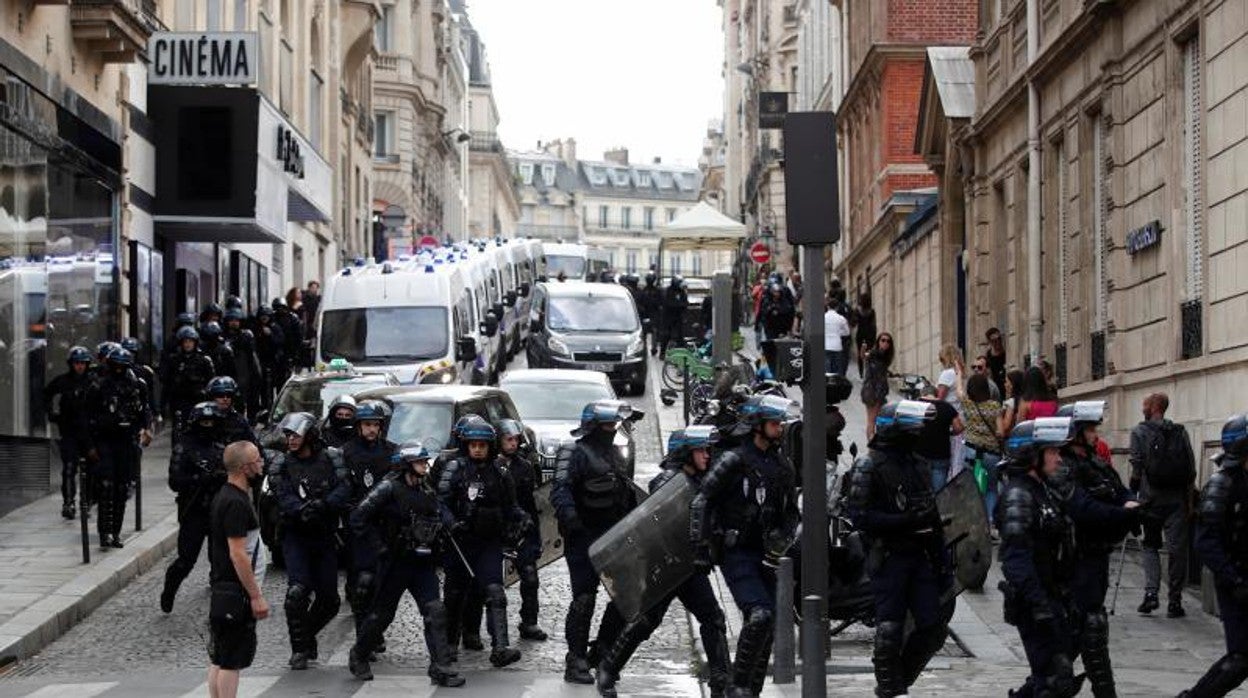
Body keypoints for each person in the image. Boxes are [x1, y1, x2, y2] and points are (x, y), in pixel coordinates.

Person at [596, 426, 731, 698]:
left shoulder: (702, 482)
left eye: (707, 450)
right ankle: (607, 669)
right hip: (667, 566)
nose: (707, 455)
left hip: (690, 567)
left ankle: (720, 683)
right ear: (685, 453)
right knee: (647, 621)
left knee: (712, 618)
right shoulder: (668, 481)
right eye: (700, 450)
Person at [689, 395, 799, 698]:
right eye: (774, 422)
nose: (779, 428)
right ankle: (735, 687)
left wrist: (785, 536)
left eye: (780, 423)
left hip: (766, 554)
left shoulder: (781, 464)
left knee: (771, 622)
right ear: (757, 424)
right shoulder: (733, 460)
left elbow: (791, 511)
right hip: (736, 551)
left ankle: (751, 690)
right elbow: (703, 501)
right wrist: (700, 547)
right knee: (759, 615)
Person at [847, 400, 951, 698]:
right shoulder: (869, 466)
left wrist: (942, 562)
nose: (917, 434)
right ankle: (891, 689)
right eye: (911, 429)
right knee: (890, 629)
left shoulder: (918, 465)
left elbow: (931, 517)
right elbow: (861, 518)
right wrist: (905, 521)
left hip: (919, 557)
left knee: (933, 628)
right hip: (889, 557)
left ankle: (896, 684)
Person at [347, 443, 466, 687]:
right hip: (395, 562)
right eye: (420, 461)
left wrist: (450, 524)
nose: (425, 465)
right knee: (382, 615)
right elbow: (358, 517)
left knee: (435, 611)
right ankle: (359, 655)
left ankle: (441, 667)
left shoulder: (426, 489)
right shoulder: (387, 488)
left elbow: (439, 511)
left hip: (422, 562)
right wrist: (378, 546)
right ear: (406, 465)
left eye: (425, 461)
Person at [1053, 400, 1140, 698]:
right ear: (1074, 432)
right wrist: (1122, 513)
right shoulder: (1061, 466)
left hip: (1097, 554)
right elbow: (1081, 507)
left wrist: (1133, 505)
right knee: (1085, 628)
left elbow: (1118, 489)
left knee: (1090, 629)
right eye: (1088, 428)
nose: (1094, 434)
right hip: (1075, 558)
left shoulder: (1094, 460)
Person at [551, 400, 643, 684]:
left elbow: (624, 489)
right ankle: (575, 658)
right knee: (584, 598)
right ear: (592, 426)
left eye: (614, 424)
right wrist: (572, 521)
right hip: (583, 537)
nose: (612, 429)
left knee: (625, 595)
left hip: (612, 535)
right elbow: (560, 489)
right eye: (607, 424)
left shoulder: (614, 452)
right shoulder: (574, 451)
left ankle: (602, 649)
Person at [996, 418, 1081, 698]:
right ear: (1032, 455)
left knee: (1049, 677)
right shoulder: (1019, 494)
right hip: (1034, 600)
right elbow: (1016, 558)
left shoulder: (1042, 489)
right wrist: (1038, 603)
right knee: (1054, 680)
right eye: (1052, 452)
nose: (1058, 458)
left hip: (1051, 594)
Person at [437, 418, 526, 668]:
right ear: (466, 445)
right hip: (460, 542)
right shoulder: (454, 469)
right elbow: (440, 502)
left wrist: (522, 519)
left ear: (490, 446)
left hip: (489, 542)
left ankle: (500, 648)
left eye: (482, 445)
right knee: (454, 596)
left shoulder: (500, 472)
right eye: (473, 445)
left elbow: (512, 506)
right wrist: (451, 522)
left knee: (495, 592)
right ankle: (449, 645)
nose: (477, 449)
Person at [269, 412, 351, 670]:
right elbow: (280, 493)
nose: (291, 440)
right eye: (288, 435)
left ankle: (307, 636)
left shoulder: (331, 458)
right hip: (296, 535)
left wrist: (324, 505)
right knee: (297, 593)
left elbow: (345, 486)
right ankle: (300, 649)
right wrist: (301, 509)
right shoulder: (282, 464)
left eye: (296, 435)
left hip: (324, 534)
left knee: (329, 600)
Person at [1179, 414, 1248, 697]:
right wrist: (1233, 579)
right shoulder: (1223, 483)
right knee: (1240, 658)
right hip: (1237, 581)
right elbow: (1205, 541)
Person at [206, 441, 268, 698]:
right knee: (231, 661)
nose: (262, 463)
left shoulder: (227, 495)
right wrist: (255, 595)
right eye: (258, 460)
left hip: (225, 589)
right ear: (245, 468)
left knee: (220, 658)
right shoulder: (235, 503)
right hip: (236, 592)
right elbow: (238, 554)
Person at [1129, 393, 1196, 618]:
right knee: (1177, 550)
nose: (1142, 408)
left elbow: (1136, 466)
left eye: (1145, 404)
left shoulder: (1139, 432)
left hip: (1150, 499)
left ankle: (1151, 594)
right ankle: (1175, 600)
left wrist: (1132, 495)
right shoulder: (1180, 431)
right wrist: (1189, 503)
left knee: (1150, 545)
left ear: (1154, 407)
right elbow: (1191, 470)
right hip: (1177, 500)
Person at [162, 402, 228, 613]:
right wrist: (199, 478)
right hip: (194, 510)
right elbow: (175, 481)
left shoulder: (221, 448)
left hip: (218, 510)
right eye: (204, 422)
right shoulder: (184, 447)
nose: (208, 426)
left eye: (212, 422)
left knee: (221, 559)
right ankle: (169, 589)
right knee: (186, 560)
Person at [342, 402, 398, 646]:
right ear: (359, 426)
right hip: (359, 526)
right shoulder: (346, 452)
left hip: (386, 525)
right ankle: (363, 634)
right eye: (367, 424)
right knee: (362, 582)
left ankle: (375, 630)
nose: (371, 429)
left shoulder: (391, 451)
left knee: (382, 581)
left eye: (375, 425)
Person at [86, 347, 152, 549]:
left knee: (122, 489)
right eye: (115, 365)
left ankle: (115, 532)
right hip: (105, 440)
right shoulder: (99, 385)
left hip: (127, 440)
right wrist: (89, 445)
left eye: (122, 366)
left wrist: (147, 429)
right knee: (106, 487)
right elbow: (86, 417)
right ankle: (104, 532)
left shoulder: (136, 385)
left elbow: (144, 409)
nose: (118, 370)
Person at [497, 419, 547, 641]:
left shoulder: (524, 467)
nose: (513, 444)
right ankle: (468, 628)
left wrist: (534, 537)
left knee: (530, 577)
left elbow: (531, 504)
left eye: (515, 439)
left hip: (520, 529)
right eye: (508, 439)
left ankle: (529, 621)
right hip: (494, 530)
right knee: (485, 585)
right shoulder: (489, 466)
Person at [45, 346, 95, 519]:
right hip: (69, 431)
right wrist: (52, 414)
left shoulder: (92, 382)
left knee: (89, 469)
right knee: (69, 468)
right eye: (76, 363)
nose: (79, 366)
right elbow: (47, 394)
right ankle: (68, 502)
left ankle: (86, 502)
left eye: (82, 363)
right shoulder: (63, 381)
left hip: (88, 433)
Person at [961, 374, 1005, 523]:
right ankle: (990, 521)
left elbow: (959, 390)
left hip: (971, 451)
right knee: (991, 488)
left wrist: (959, 373)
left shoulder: (967, 404)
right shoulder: (994, 406)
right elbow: (1001, 432)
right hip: (991, 453)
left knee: (971, 488)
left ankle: (973, 521)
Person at [161, 326, 217, 438]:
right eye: (185, 341)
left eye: (190, 341)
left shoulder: (204, 360)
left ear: (195, 343)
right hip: (179, 401)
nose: (188, 344)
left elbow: (211, 382)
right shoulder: (174, 360)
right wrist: (162, 406)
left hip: (199, 400)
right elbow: (167, 383)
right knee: (179, 431)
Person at [915, 386, 963, 490]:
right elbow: (959, 428)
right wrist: (950, 432)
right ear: (936, 394)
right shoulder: (947, 407)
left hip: (919, 454)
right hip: (941, 455)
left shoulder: (915, 405)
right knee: (939, 493)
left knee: (921, 490)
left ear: (922, 394)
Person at [223, 309, 264, 421]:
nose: (234, 323)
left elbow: (252, 358)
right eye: (231, 320)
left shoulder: (245, 336)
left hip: (245, 372)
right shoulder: (223, 337)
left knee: (249, 399)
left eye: (236, 320)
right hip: (230, 372)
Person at [205, 377, 258, 448]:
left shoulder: (239, 420)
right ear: (212, 397)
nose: (225, 399)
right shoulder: (203, 419)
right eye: (220, 395)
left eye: (228, 395)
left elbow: (254, 445)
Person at [860, 333, 894, 441]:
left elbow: (881, 371)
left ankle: (874, 445)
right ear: (878, 341)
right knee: (872, 420)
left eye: (888, 341)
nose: (885, 343)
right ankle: (871, 447)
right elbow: (864, 356)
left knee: (879, 419)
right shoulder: (874, 353)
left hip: (880, 392)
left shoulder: (885, 356)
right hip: (871, 391)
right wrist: (863, 349)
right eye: (883, 340)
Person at [253, 305, 286, 410]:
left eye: (266, 316)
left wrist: (270, 335)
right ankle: (265, 408)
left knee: (274, 387)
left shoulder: (275, 327)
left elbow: (280, 342)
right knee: (264, 388)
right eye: (262, 316)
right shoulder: (256, 328)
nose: (264, 318)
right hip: (260, 361)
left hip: (274, 362)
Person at [658, 276, 689, 359]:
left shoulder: (682, 292)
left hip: (678, 318)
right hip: (668, 318)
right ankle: (662, 352)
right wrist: (680, 305)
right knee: (666, 335)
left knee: (680, 336)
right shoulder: (668, 291)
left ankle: (681, 354)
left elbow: (685, 303)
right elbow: (669, 304)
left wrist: (683, 309)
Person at [823, 298, 851, 376]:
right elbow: (847, 332)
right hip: (837, 346)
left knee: (827, 369)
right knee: (836, 370)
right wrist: (838, 332)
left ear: (828, 307)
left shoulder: (823, 317)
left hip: (826, 345)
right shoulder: (841, 318)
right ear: (837, 307)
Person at [855, 293, 878, 379]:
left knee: (860, 353)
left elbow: (854, 322)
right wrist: (875, 335)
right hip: (870, 334)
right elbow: (873, 325)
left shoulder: (858, 311)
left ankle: (861, 373)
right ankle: (869, 370)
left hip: (860, 334)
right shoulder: (872, 311)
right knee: (869, 353)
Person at [999, 369, 1027, 438]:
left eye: (1006, 382)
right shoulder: (1025, 400)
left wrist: (998, 416)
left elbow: (1006, 426)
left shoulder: (1011, 402)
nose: (1005, 385)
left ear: (1012, 384)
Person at [639, 273, 662, 356]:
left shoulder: (653, 291)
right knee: (647, 332)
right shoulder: (645, 290)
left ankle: (652, 348)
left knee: (653, 331)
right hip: (647, 313)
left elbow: (660, 302)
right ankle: (646, 347)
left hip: (652, 313)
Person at [984, 327, 1008, 397]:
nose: (998, 342)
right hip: (995, 387)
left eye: (999, 339)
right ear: (989, 342)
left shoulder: (1006, 353)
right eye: (994, 340)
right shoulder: (988, 355)